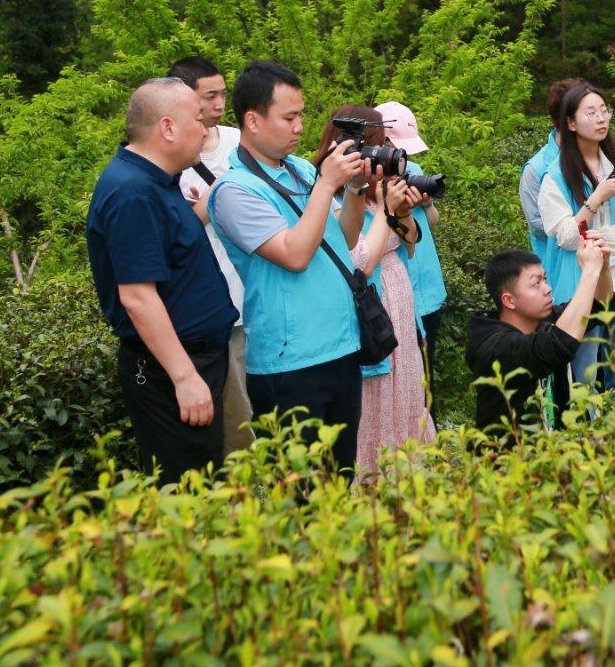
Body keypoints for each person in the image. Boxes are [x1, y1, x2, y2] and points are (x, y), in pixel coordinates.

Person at [207, 61, 370, 475]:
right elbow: (294, 254)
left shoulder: (298, 168)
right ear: (253, 120)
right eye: (289, 117)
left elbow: (344, 240)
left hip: (341, 348)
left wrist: (353, 188)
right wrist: (328, 184)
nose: (300, 127)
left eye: (301, 115)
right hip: (290, 364)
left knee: (340, 480)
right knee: (302, 494)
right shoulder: (233, 190)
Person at [86, 78, 238, 485]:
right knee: (188, 489)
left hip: (196, 358)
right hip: (170, 368)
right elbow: (137, 296)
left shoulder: (159, 181)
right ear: (168, 127)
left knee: (206, 477)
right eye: (196, 119)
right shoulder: (132, 192)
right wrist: (185, 378)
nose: (205, 129)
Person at [314, 106, 434, 476]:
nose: (384, 157)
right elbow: (359, 262)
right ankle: (373, 489)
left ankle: (406, 484)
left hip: (399, 301)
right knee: (376, 402)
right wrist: (385, 211)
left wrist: (402, 211)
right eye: (379, 147)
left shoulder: (373, 190)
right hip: (368, 310)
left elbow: (411, 243)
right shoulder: (329, 191)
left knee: (406, 397)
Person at [538, 83, 615, 394]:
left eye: (604, 111)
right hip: (579, 290)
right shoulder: (554, 177)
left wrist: (597, 241)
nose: (601, 118)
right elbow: (566, 238)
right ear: (570, 123)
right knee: (583, 379)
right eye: (591, 113)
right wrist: (595, 199)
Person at [168, 56, 253, 456]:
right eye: (210, 95)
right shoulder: (171, 160)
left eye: (223, 93)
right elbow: (180, 228)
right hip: (218, 302)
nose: (220, 103)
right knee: (237, 411)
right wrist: (214, 200)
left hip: (256, 288)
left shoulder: (240, 142)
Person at [466, 237, 609, 444]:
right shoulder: (495, 347)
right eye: (536, 284)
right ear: (509, 300)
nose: (547, 288)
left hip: (557, 453)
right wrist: (589, 272)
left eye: (545, 279)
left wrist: (603, 267)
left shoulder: (541, 320)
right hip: (510, 465)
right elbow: (558, 343)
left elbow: (601, 306)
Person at [376, 101, 447, 406]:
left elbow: (431, 224)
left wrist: (426, 204)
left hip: (427, 288)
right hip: (393, 292)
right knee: (398, 383)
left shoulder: (412, 170)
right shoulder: (364, 183)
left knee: (425, 377)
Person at [520, 77, 585, 255]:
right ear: (568, 120)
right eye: (587, 111)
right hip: (558, 261)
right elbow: (537, 224)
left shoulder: (599, 156)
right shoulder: (536, 169)